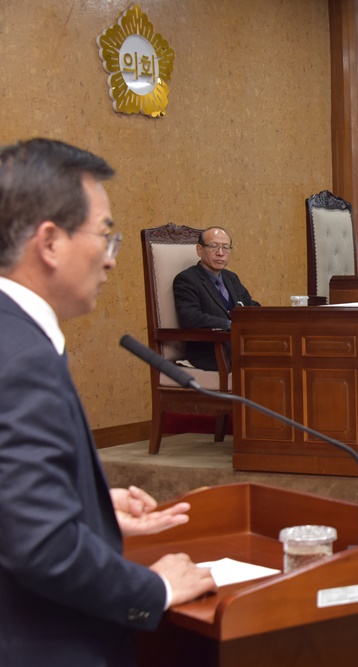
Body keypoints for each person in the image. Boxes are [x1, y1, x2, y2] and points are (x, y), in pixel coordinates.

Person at [0, 138, 217, 665]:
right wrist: (155, 589)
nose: (112, 259)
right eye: (104, 235)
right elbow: (42, 548)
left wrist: (81, 505)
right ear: (49, 242)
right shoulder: (22, 359)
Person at [172, 227, 260, 370]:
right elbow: (191, 317)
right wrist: (230, 324)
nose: (220, 253)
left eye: (225, 248)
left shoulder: (231, 278)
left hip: (241, 347)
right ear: (199, 250)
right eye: (214, 246)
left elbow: (251, 306)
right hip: (212, 353)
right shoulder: (187, 279)